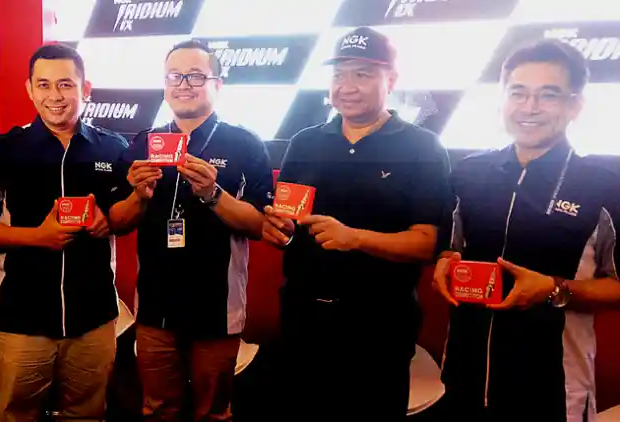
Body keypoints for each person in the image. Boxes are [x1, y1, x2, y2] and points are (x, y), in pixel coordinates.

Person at [262, 26, 451, 421]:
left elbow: (426, 242)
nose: (346, 87)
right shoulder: (304, 142)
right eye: (338, 74)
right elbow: (288, 220)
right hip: (303, 316)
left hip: (379, 325)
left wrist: (356, 239)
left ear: (391, 80)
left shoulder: (422, 147)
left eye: (362, 74)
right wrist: (278, 230)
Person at [432, 39, 620, 422]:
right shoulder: (468, 173)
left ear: (574, 105)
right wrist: (445, 261)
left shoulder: (605, 187)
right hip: (463, 377)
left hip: (554, 389)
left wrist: (553, 289)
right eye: (518, 93)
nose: (530, 107)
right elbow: (452, 247)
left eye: (548, 95)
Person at [0, 43, 128, 422]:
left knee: (87, 416)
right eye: (44, 85)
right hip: (19, 317)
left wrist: (112, 218)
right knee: (17, 415)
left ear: (85, 89)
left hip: (93, 317)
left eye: (65, 84)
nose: (55, 95)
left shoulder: (115, 149)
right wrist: (37, 237)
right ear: (29, 89)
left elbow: (126, 215)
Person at [106, 39, 273, 422]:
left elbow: (259, 225)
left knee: (213, 413)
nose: (183, 84)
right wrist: (139, 197)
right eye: (174, 76)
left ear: (218, 83)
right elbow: (116, 222)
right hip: (155, 308)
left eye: (196, 76)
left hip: (217, 309)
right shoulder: (143, 143)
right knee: (157, 410)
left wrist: (213, 194)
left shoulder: (245, 144)